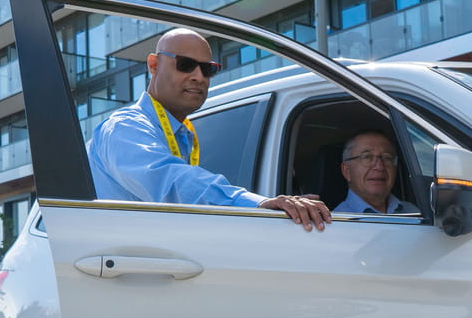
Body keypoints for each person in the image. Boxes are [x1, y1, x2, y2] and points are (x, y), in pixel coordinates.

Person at [88, 28, 331, 230]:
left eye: (208, 69)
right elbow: (170, 182)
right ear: (153, 65)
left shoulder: (181, 135)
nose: (199, 77)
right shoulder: (125, 126)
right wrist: (256, 204)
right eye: (185, 65)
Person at [333, 129, 421, 215]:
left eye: (387, 158)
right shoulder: (334, 222)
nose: (379, 167)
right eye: (367, 157)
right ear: (347, 171)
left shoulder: (413, 212)